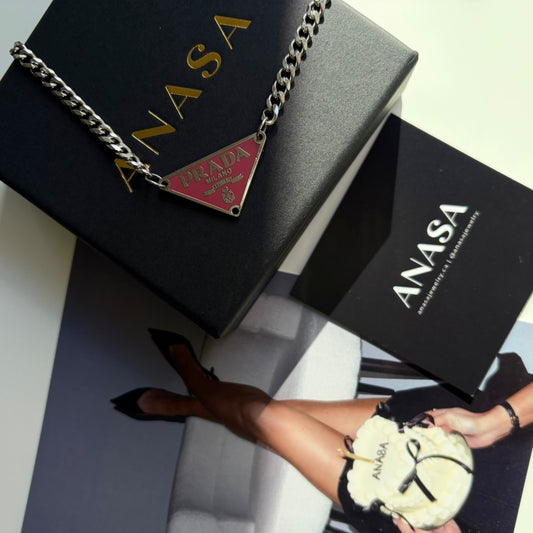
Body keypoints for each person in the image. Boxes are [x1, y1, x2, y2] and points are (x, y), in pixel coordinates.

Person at [112, 330, 533, 533]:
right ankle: (197, 399)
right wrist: (495, 423)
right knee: (286, 416)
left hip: (450, 521)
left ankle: (195, 390)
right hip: (499, 441)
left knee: (269, 419)